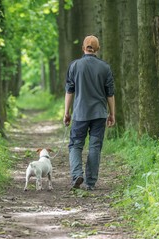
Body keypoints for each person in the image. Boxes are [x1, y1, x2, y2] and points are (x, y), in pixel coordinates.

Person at [63, 35, 115, 191]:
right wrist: (112, 114)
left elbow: (69, 91)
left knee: (75, 145)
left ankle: (77, 174)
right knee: (95, 146)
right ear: (97, 49)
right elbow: (110, 94)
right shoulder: (105, 68)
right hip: (99, 113)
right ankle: (90, 183)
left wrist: (66, 112)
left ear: (83, 48)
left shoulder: (74, 66)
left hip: (80, 113)